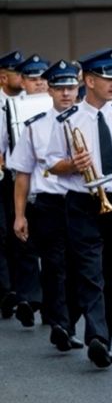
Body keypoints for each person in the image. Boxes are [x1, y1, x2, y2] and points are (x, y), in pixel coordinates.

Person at [45, 48, 112, 368]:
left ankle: (102, 337)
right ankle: (96, 335)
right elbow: (51, 163)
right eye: (106, 79)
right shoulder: (67, 119)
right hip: (82, 202)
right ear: (89, 80)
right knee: (89, 270)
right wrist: (71, 164)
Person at [8, 60, 79, 349]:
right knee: (54, 264)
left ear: (79, 88)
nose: (66, 93)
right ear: (49, 90)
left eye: (71, 87)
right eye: (60, 88)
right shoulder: (35, 127)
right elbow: (22, 174)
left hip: (81, 202)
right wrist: (19, 215)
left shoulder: (90, 119)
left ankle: (68, 321)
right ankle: (60, 323)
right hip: (49, 203)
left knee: (79, 266)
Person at [4, 54, 50, 327]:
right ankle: (29, 297)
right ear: (23, 81)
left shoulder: (58, 105)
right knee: (24, 244)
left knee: (53, 247)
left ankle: (48, 302)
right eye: (33, 80)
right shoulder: (10, 108)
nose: (40, 84)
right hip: (20, 181)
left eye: (43, 79)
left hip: (53, 185)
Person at [0, 50, 26, 319]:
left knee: (21, 233)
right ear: (3, 76)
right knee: (1, 232)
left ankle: (20, 290)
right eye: (18, 73)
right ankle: (6, 289)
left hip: (21, 175)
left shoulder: (28, 102)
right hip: (2, 176)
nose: (23, 77)